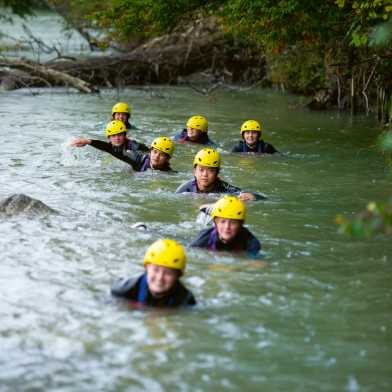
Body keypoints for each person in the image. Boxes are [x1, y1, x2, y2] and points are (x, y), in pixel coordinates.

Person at [111, 239, 196, 307]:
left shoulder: (185, 300)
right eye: (156, 270)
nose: (160, 278)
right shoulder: (123, 290)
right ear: (147, 268)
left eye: (168, 273)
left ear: (177, 276)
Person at [175, 148, 264, 201]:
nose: (205, 175)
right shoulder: (185, 188)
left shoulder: (224, 188)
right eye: (201, 170)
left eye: (211, 170)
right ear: (194, 171)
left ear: (217, 173)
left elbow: (258, 197)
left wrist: (253, 197)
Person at [191, 196, 261, 256]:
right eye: (222, 222)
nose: (227, 227)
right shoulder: (204, 238)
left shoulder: (251, 242)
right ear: (215, 223)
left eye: (233, 223)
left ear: (241, 225)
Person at [70, 120, 149, 158]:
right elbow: (104, 146)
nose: (117, 138)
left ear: (125, 135)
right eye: (113, 136)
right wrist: (87, 141)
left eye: (120, 135)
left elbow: (146, 151)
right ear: (109, 138)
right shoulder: (109, 146)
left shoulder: (132, 145)